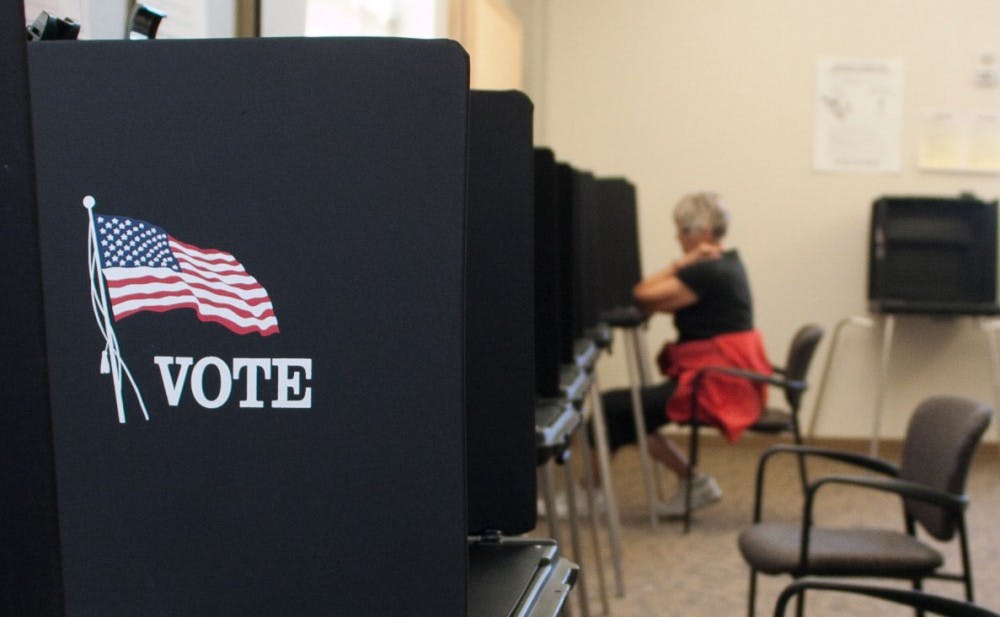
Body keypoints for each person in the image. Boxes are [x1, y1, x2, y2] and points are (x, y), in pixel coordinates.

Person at [600, 191, 771, 518]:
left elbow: (642, 295)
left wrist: (681, 263)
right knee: (627, 412)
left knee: (611, 409)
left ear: (703, 232)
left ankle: (592, 493)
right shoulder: (728, 263)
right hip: (728, 379)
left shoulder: (705, 271)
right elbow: (658, 300)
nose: (678, 238)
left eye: (682, 231)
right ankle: (694, 481)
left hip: (713, 386)